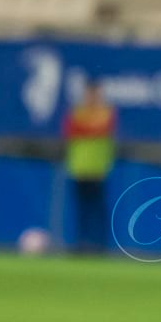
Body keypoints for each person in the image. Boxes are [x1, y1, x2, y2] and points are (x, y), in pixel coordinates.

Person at [62, 79, 116, 253]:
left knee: (98, 211)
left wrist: (87, 127)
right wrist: (89, 128)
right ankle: (81, 244)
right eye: (89, 93)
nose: (92, 97)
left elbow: (99, 128)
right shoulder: (77, 112)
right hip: (79, 168)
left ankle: (100, 245)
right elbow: (73, 129)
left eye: (95, 93)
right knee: (82, 210)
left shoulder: (105, 112)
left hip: (98, 169)